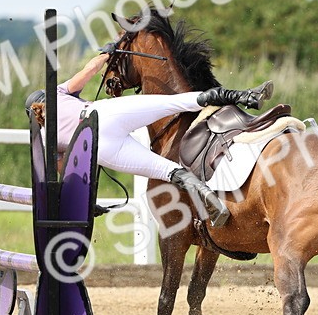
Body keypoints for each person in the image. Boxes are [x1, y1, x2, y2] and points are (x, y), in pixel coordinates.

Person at [28, 49, 272, 227]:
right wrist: (107, 52)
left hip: (102, 148)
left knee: (167, 170)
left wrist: (86, 204)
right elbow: (90, 70)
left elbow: (68, 171)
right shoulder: (57, 93)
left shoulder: (44, 137)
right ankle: (246, 96)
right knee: (174, 102)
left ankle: (213, 205)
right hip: (104, 114)